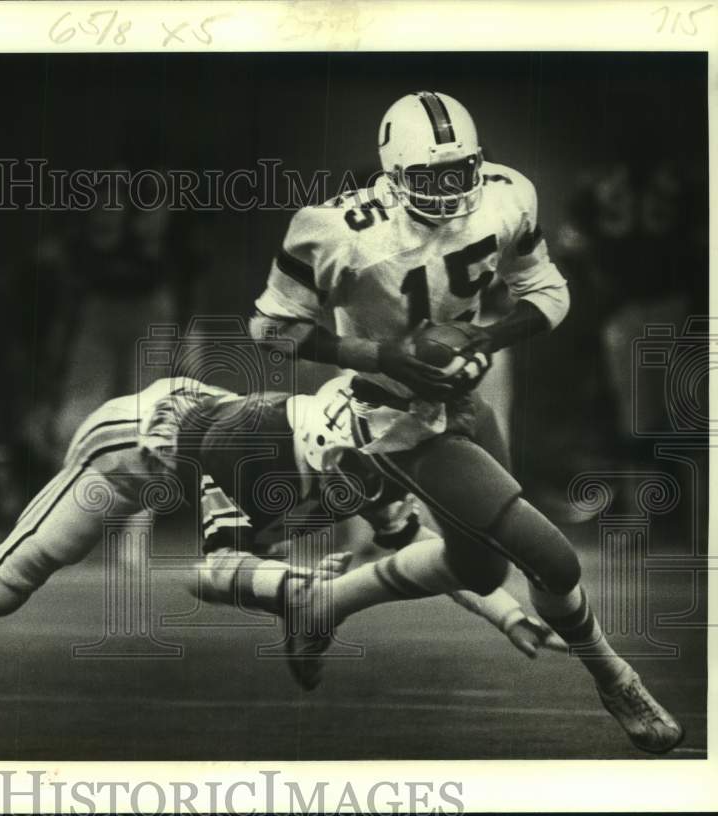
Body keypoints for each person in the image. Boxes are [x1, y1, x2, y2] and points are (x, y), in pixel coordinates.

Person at [248, 90, 683, 753]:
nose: (451, 192)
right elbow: (269, 328)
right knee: (552, 560)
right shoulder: (336, 229)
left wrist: (486, 341)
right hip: (393, 417)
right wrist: (379, 353)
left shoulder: (506, 195)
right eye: (431, 177)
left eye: (461, 173)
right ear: (393, 175)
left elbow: (548, 290)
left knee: (477, 570)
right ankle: (614, 676)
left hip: (463, 401)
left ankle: (321, 603)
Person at [0, 376, 556, 746]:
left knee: (273, 557)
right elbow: (215, 570)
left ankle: (302, 604)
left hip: (211, 463)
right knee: (2, 584)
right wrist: (293, 588)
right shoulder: (260, 449)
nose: (371, 482)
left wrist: (508, 610)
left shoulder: (366, 460)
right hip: (134, 447)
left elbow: (430, 550)